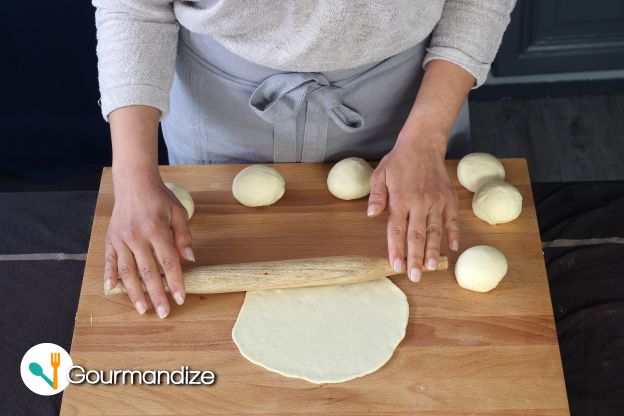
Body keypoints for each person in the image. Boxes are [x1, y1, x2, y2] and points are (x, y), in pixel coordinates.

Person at [94, 0, 516, 318]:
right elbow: (134, 6)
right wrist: (133, 177)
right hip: (223, 104)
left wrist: (425, 139)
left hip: (411, 99)